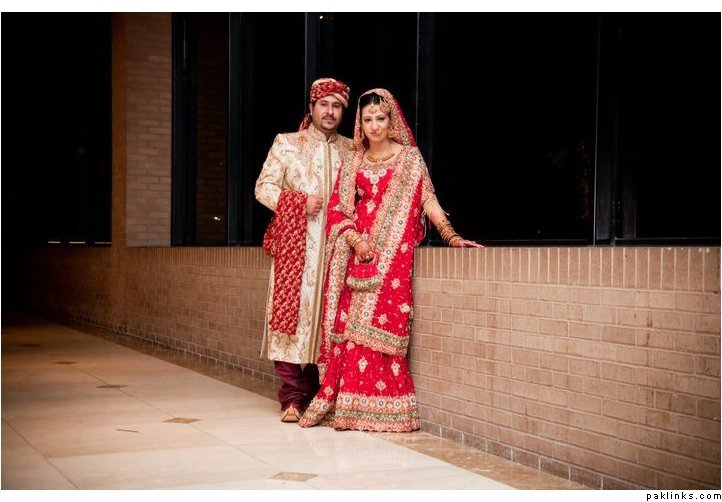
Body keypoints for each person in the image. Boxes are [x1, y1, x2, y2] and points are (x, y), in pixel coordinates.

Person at [299, 88, 481, 432]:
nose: (374, 126)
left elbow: (428, 199)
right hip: (358, 254)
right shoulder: (354, 161)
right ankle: (349, 406)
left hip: (393, 258)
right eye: (367, 119)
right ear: (360, 123)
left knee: (384, 327)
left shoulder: (409, 158)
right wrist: (356, 240)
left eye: (380, 118)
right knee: (352, 330)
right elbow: (338, 209)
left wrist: (451, 236)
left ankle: (385, 408)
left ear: (391, 119)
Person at [255, 77, 353, 423]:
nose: (330, 112)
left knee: (326, 323)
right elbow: (263, 187)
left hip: (336, 254)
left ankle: (317, 392)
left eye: (337, 106)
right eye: (324, 104)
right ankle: (293, 397)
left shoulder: (351, 150)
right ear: (312, 107)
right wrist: (297, 202)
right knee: (290, 323)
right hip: (295, 252)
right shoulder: (287, 143)